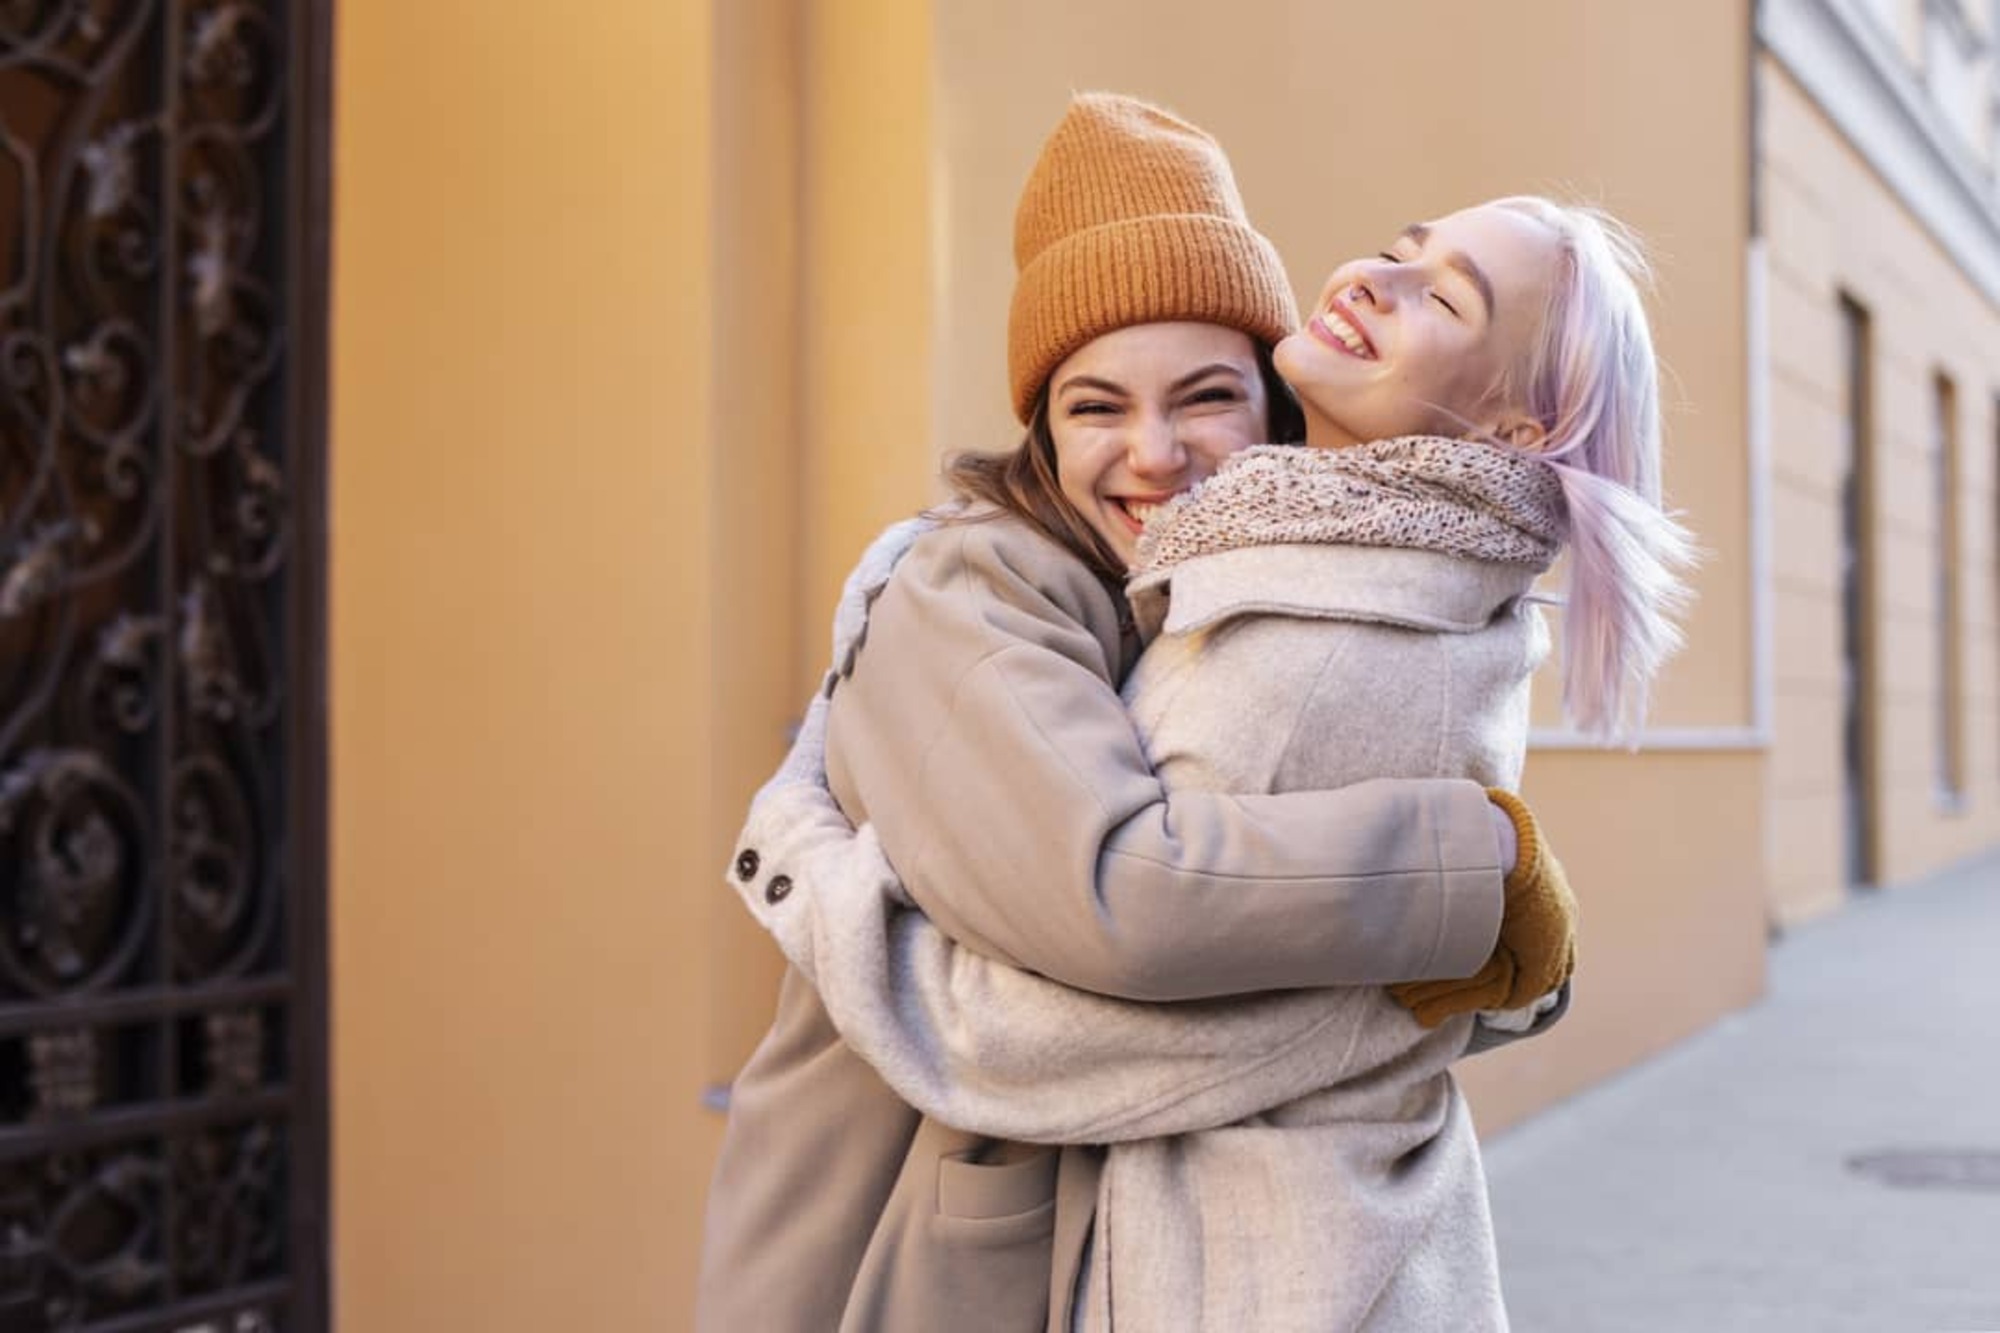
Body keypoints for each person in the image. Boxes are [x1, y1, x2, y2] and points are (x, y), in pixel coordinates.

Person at [695, 93, 1583, 1333]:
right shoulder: (974, 589)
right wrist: (1470, 877)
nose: (1153, 453)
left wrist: (1494, 979)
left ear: (1268, 407)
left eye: (1205, 395)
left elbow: (1267, 995)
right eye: (1094, 407)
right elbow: (1114, 905)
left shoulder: (1228, 591)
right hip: (885, 1234)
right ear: (1042, 430)